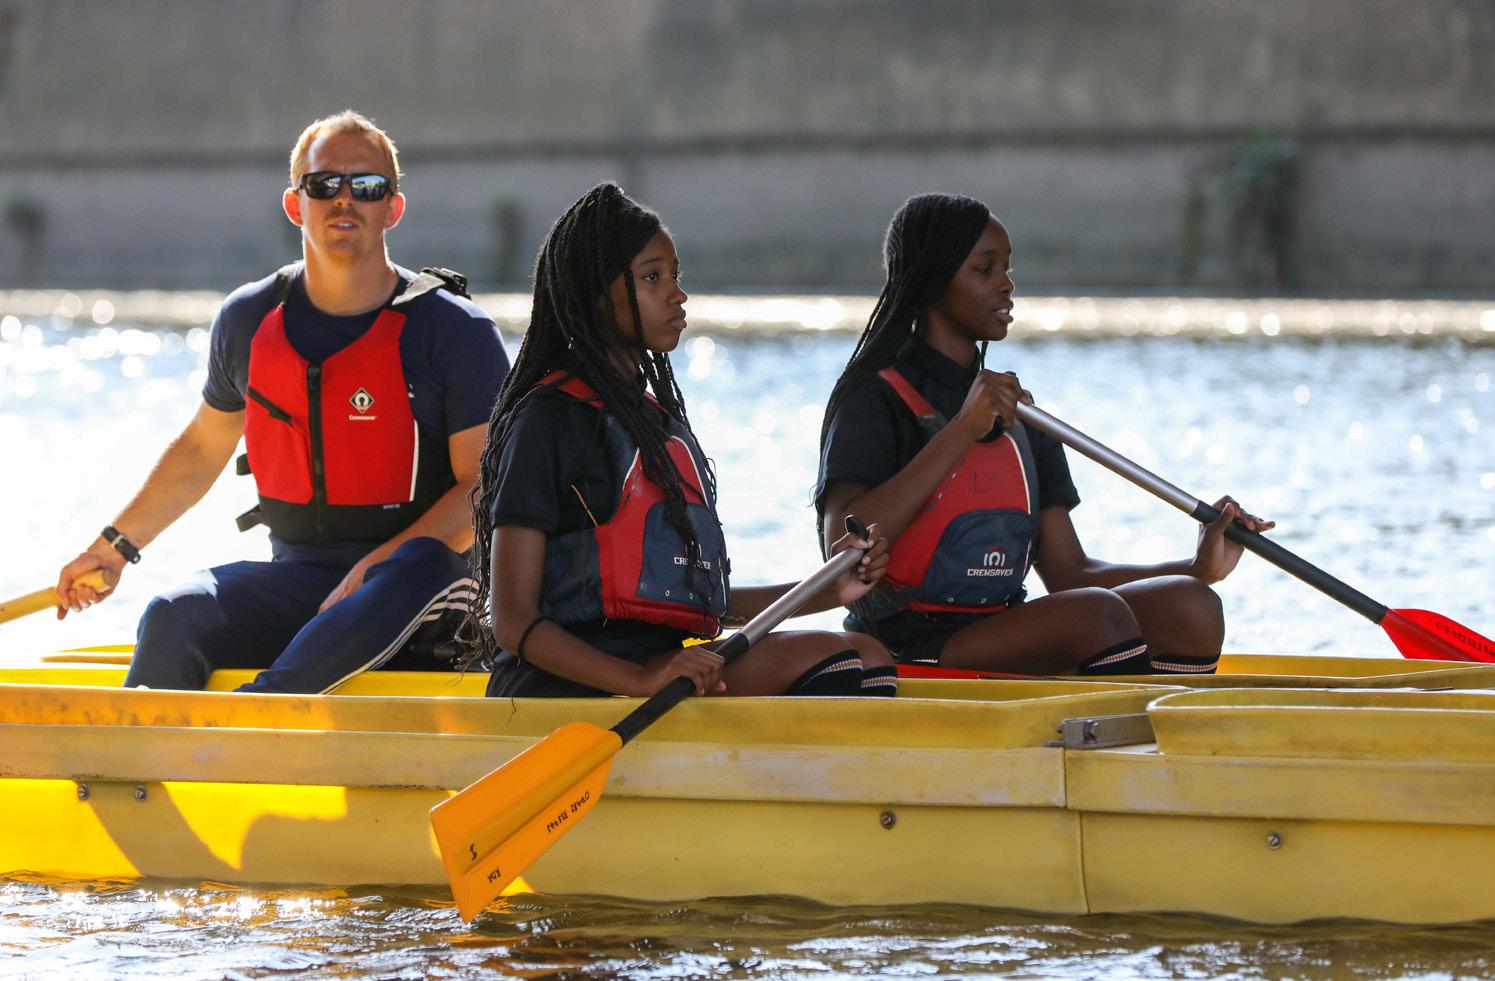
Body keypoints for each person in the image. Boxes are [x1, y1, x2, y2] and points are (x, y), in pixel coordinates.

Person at [54, 110, 510, 693]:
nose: (345, 199)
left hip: (423, 593)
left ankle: (260, 710)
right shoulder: (247, 319)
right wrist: (114, 549)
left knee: (419, 564)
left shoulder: (455, 330)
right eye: (324, 184)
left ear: (393, 208)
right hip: (302, 583)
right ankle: (141, 752)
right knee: (171, 615)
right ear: (295, 205)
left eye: (367, 186)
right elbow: (201, 449)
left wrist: (375, 567)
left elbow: (482, 490)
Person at [464, 182, 895, 699]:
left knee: (870, 654)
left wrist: (828, 588)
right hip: (568, 684)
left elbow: (698, 601)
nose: (677, 294)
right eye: (652, 277)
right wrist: (640, 680)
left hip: (658, 667)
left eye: (675, 275)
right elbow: (511, 621)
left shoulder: (655, 422)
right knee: (831, 659)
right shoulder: (547, 420)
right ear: (595, 293)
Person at [815, 192, 1273, 676]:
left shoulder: (1020, 416)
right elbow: (839, 548)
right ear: (932, 278)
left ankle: (1145, 713)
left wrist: (1198, 568)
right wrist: (962, 431)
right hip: (908, 645)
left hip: (1004, 629)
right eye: (985, 269)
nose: (1007, 284)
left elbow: (1071, 574)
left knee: (1193, 607)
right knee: (1096, 617)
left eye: (1007, 268)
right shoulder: (874, 398)